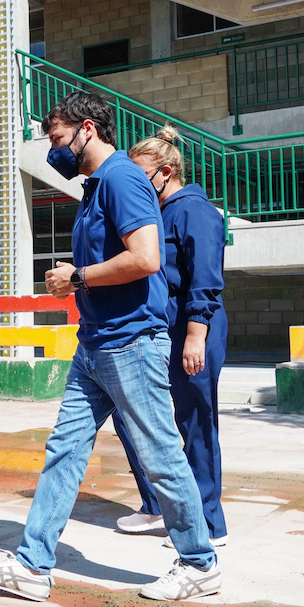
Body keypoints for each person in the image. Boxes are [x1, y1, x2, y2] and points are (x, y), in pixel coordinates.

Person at [0, 92, 219, 603]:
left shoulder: (123, 179)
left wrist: (78, 277)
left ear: (86, 129)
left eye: (57, 138)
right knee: (64, 451)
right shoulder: (95, 186)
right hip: (96, 344)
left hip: (130, 343)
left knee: (161, 456)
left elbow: (147, 258)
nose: (53, 149)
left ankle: (199, 563)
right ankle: (33, 566)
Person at [111, 125, 229, 546]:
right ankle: (161, 505)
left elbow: (206, 281)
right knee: (130, 416)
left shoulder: (195, 210)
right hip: (158, 325)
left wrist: (195, 336)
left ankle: (209, 525)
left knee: (195, 420)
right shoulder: (156, 213)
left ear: (166, 171)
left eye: (142, 177)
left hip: (193, 326)